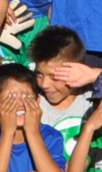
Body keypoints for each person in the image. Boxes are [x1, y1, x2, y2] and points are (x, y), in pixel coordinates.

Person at [28, 25, 97, 157]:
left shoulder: (93, 95)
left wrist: (92, 74)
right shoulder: (35, 104)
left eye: (54, 76)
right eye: (39, 74)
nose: (44, 84)